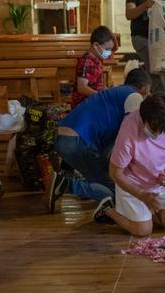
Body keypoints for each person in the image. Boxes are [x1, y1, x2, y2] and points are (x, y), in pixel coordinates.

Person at [47, 69, 151, 218]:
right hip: (77, 141)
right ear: (145, 87)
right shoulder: (134, 97)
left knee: (106, 176)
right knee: (117, 189)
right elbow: (130, 135)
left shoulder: (116, 92)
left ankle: (87, 183)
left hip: (67, 138)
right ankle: (66, 185)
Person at [97, 94, 165, 237]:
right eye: (153, 130)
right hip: (134, 182)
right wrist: (141, 195)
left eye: (161, 131)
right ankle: (108, 209)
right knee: (143, 231)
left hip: (162, 180)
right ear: (143, 118)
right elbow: (115, 173)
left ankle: (144, 213)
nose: (157, 134)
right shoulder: (129, 128)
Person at [125, 0, 165, 94]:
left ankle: (155, 94)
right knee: (155, 68)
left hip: (159, 38)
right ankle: (161, 98)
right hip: (141, 38)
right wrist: (145, 5)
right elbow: (129, 14)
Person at [71, 26, 115, 108]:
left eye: (110, 50)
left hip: (93, 101)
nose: (109, 52)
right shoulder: (86, 61)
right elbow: (81, 87)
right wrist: (101, 96)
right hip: (83, 106)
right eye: (107, 49)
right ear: (96, 45)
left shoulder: (96, 60)